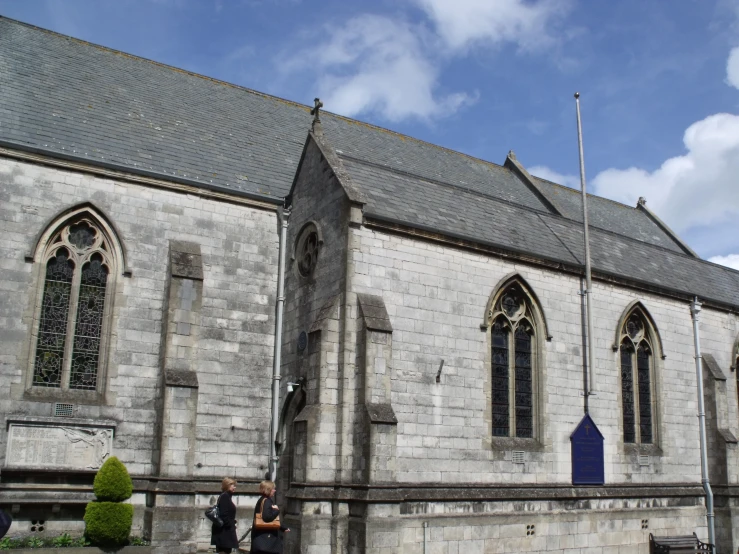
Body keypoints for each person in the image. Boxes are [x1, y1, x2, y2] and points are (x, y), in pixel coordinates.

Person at [250, 480, 289, 554]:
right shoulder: (267, 501)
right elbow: (267, 517)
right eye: (273, 489)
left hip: (261, 538)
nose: (275, 490)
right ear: (268, 490)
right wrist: (277, 510)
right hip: (266, 541)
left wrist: (282, 527)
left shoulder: (261, 500)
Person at [211, 477, 239, 554]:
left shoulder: (226, 496)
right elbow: (224, 515)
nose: (235, 487)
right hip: (224, 534)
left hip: (225, 532)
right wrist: (231, 524)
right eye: (233, 485)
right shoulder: (225, 497)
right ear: (228, 486)